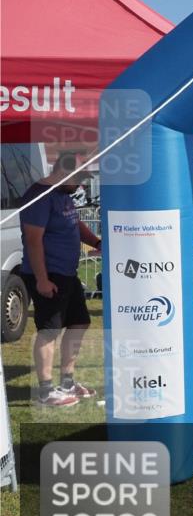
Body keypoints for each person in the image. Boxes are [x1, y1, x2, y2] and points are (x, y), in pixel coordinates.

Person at [19, 153, 101, 407]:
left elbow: (75, 226)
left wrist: (98, 242)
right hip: (47, 273)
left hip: (67, 273)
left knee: (79, 323)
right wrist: (42, 280)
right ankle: (45, 390)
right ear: (63, 172)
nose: (82, 184)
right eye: (79, 178)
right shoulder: (39, 196)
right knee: (49, 329)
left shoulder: (63, 196)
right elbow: (33, 240)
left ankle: (67, 382)